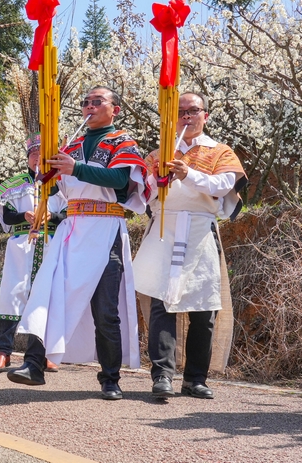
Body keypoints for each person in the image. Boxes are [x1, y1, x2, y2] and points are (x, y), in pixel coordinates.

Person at [8, 86, 148, 400]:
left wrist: (76, 168)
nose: (89, 106)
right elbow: (59, 190)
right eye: (85, 102)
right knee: (47, 292)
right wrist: (49, 176)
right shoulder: (71, 144)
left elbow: (121, 181)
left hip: (105, 227)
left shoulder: (122, 142)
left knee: (105, 310)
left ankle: (110, 378)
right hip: (71, 228)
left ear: (116, 109)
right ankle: (34, 364)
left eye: (97, 101)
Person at [133, 92, 246, 400]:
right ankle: (162, 375)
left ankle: (195, 378)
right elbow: (141, 196)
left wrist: (188, 174)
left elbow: (224, 185)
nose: (186, 116)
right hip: (165, 228)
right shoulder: (158, 154)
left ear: (204, 115)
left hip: (200, 230)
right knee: (161, 305)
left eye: (193, 110)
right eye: (180, 111)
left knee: (204, 308)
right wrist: (157, 182)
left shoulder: (220, 151)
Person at [0, 137, 66, 372]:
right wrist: (24, 215)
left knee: (46, 297)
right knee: (12, 293)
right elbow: (7, 216)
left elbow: (71, 214)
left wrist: (52, 216)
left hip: (51, 243)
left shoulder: (62, 185)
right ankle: (4, 350)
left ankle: (42, 352)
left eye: (43, 153)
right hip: (22, 245)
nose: (38, 157)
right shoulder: (15, 185)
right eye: (34, 153)